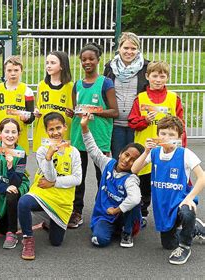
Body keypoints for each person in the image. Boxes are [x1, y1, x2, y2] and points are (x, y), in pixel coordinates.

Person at [131, 116, 205, 265]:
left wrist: (190, 197)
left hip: (180, 200)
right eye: (163, 133)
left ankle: (185, 246)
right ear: (158, 134)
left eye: (172, 134)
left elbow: (202, 177)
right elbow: (134, 169)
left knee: (187, 211)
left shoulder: (185, 153)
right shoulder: (154, 153)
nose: (166, 137)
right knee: (168, 245)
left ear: (179, 136)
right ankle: (195, 228)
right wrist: (145, 151)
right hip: (163, 203)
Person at [128, 61, 187, 227]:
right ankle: (143, 213)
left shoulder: (173, 98)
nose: (158, 79)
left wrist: (181, 147)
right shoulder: (140, 98)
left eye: (162, 76)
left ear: (167, 77)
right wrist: (144, 120)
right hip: (146, 149)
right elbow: (132, 122)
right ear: (147, 77)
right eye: (154, 76)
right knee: (145, 183)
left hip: (168, 151)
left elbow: (181, 125)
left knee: (168, 184)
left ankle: (172, 214)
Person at [18, 112, 82, 260]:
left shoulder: (74, 152)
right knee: (24, 202)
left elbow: (77, 179)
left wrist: (54, 183)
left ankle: (49, 220)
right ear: (46, 131)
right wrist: (48, 157)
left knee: (56, 242)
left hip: (62, 200)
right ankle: (28, 239)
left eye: (58, 128)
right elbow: (50, 176)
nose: (55, 133)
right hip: (43, 193)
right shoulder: (41, 151)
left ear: (65, 127)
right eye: (51, 130)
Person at [69, 42, 119, 228]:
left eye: (91, 59)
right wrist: (72, 112)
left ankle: (103, 210)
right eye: (84, 59)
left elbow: (115, 112)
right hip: (78, 136)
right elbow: (77, 109)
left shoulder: (106, 83)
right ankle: (77, 211)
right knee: (78, 176)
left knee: (103, 176)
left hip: (99, 137)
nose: (87, 62)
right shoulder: (77, 85)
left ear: (98, 60)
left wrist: (94, 111)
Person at [80, 113, 143, 248]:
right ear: (120, 153)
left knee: (135, 201)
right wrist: (84, 127)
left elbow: (135, 199)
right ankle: (110, 228)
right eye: (126, 155)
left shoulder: (131, 179)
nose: (127, 161)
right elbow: (92, 149)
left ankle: (127, 232)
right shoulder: (107, 163)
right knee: (98, 240)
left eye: (133, 160)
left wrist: (116, 210)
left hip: (122, 215)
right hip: (105, 214)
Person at [104, 32, 149, 160]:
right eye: (126, 48)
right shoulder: (109, 67)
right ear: (119, 48)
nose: (129, 52)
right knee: (119, 161)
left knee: (136, 162)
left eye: (133, 48)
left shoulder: (146, 67)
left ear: (138, 50)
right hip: (116, 125)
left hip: (136, 125)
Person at [0, 118, 30, 249]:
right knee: (1, 229)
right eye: (6, 131)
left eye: (14, 132)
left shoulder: (21, 153)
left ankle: (12, 232)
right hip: (1, 184)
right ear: (0, 133)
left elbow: (17, 181)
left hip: (17, 183)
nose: (10, 135)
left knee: (12, 194)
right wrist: (4, 187)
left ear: (18, 135)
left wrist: (10, 166)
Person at [0, 56, 35, 154]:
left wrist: (27, 118)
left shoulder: (27, 91)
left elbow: (31, 116)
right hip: (0, 139)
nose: (13, 73)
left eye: (16, 70)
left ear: (21, 71)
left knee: (18, 167)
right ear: (5, 71)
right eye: (9, 70)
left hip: (19, 139)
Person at [33, 51, 74, 152]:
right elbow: (38, 107)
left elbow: (74, 112)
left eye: (53, 63)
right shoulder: (41, 85)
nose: (48, 66)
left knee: (62, 165)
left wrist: (72, 113)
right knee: (44, 164)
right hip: (43, 133)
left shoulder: (71, 87)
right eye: (47, 63)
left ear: (62, 66)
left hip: (62, 135)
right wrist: (36, 112)